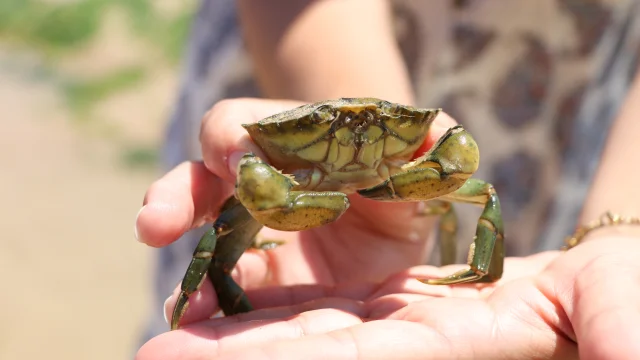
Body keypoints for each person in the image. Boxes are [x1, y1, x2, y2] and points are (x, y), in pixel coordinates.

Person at [135, 0, 640, 358]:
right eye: (328, 127)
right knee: (221, 246)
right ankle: (229, 315)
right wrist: (367, 208)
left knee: (482, 195)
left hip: (556, 103)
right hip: (286, 60)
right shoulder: (264, 164)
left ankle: (462, 275)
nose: (357, 135)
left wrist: (618, 234)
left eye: (380, 126)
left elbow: (460, 155)